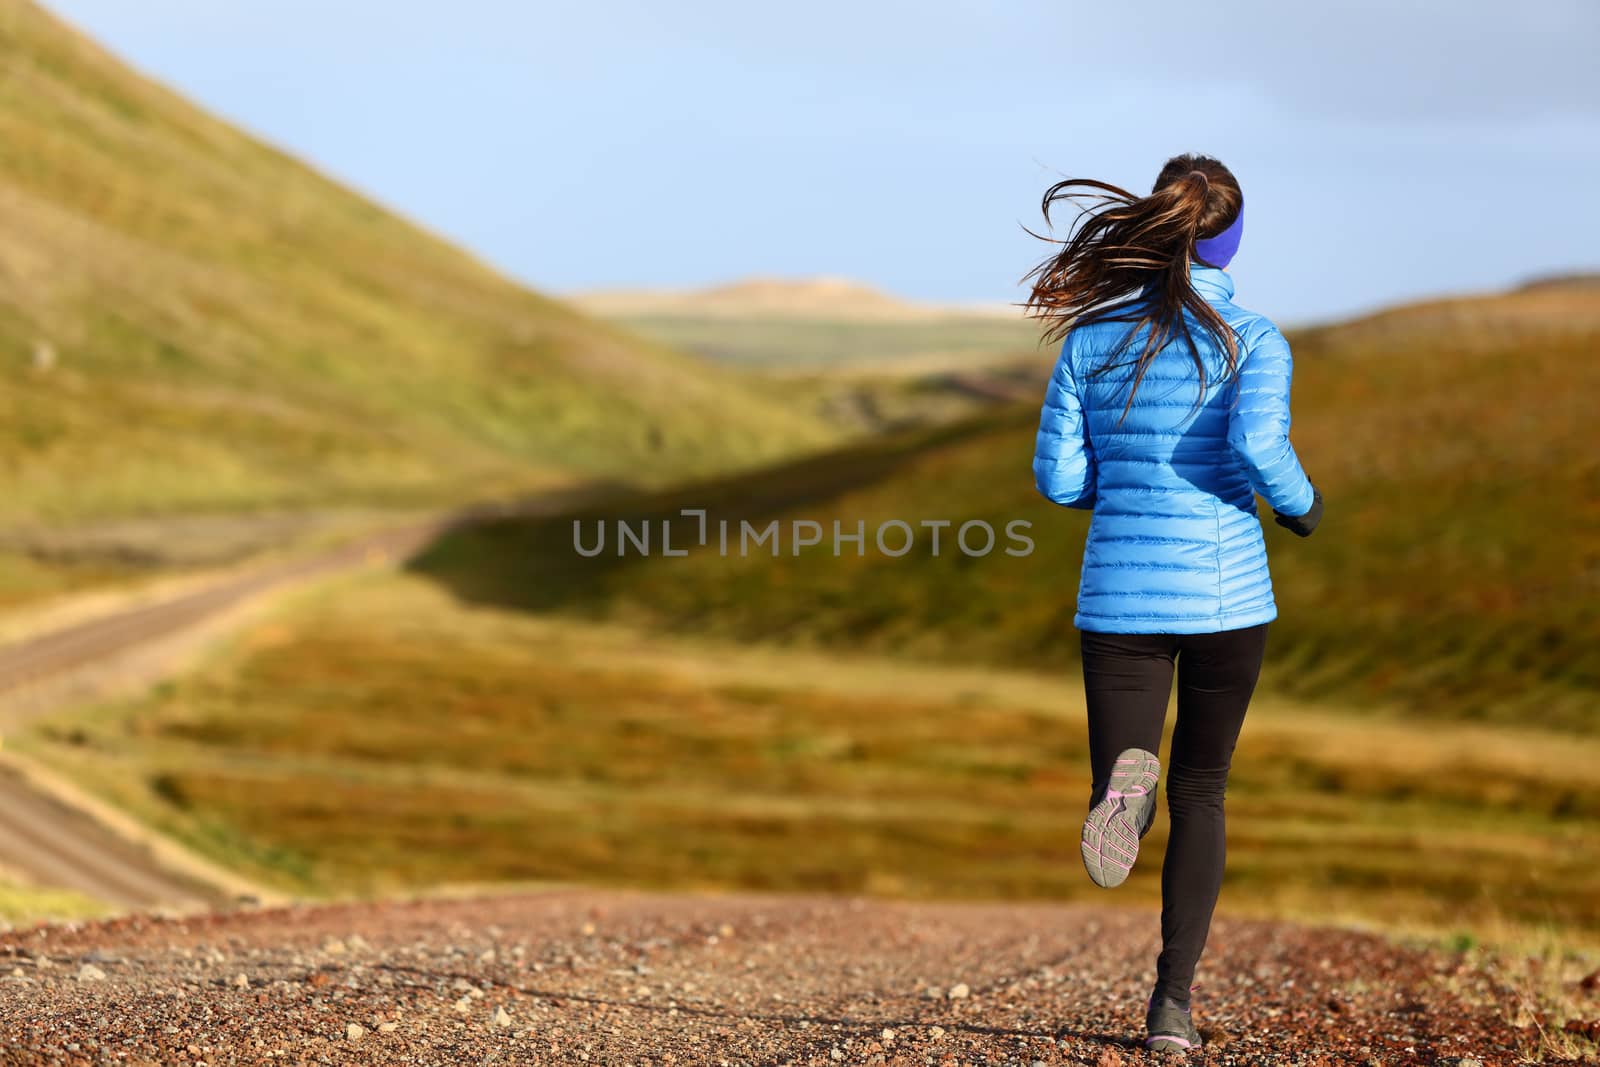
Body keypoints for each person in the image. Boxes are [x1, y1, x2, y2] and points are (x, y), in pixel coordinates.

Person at [1023, 154, 1323, 1054]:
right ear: (1231, 239)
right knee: (1204, 789)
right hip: (1227, 593)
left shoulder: (1089, 339)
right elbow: (1259, 445)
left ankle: (1122, 784)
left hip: (1119, 593)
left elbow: (1057, 476)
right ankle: (1172, 1006)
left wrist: (1114, 499)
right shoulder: (1257, 339)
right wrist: (1302, 506)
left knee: (1127, 766)